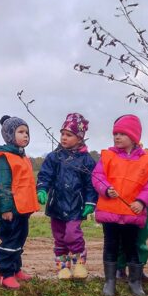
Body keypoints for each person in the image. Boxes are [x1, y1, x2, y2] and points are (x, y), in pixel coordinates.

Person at [92, 115, 148, 296]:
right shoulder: (107, 156)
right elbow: (97, 177)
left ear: (134, 137)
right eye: (115, 134)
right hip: (110, 211)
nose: (117, 137)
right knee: (110, 245)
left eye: (122, 134)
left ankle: (135, 282)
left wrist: (141, 202)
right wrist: (105, 189)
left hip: (132, 212)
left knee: (131, 246)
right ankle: (110, 281)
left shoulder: (146, 160)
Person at [36, 113, 97, 280]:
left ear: (79, 138)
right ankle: (63, 267)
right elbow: (45, 175)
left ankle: (79, 264)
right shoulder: (54, 157)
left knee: (72, 234)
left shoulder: (87, 161)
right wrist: (42, 189)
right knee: (59, 237)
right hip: (56, 204)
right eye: (62, 133)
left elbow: (91, 183)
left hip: (76, 205)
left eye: (69, 135)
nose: (64, 137)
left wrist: (90, 202)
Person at [0, 116, 39, 290]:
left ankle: (16, 269)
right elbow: (2, 185)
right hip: (11, 209)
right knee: (10, 241)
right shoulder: (4, 157)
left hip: (22, 209)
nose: (26, 136)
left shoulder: (22, 156)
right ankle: (5, 274)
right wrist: (6, 208)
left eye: (27, 132)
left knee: (19, 240)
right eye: (21, 132)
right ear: (9, 135)